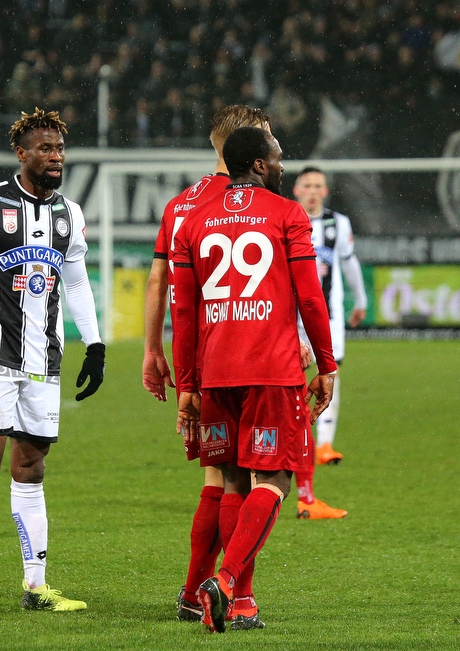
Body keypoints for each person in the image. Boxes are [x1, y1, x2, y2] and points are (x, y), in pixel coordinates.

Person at [0, 108, 105, 615]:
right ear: (21, 153)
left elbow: (74, 282)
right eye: (46, 149)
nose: (56, 157)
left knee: (32, 467)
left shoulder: (69, 214)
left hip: (43, 364)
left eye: (60, 149)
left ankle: (36, 585)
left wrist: (94, 346)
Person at [172, 126, 337, 633]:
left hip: (218, 371)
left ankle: (242, 602)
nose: (284, 165)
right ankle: (224, 583)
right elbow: (310, 297)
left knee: (234, 482)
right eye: (279, 157)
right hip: (271, 370)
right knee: (276, 478)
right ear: (260, 165)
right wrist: (327, 364)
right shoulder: (288, 215)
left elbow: (185, 312)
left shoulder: (193, 221)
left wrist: (188, 385)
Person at [143, 105, 271, 626]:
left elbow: (161, 283)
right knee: (251, 476)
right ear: (245, 144)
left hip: (198, 353)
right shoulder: (255, 201)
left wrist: (154, 350)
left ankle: (194, 590)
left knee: (218, 476)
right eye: (266, 138)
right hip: (248, 351)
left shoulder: (183, 205)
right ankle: (236, 596)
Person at [291, 166, 368, 519]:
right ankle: (295, 444)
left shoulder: (339, 224)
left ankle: (323, 443)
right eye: (307, 184)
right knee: (291, 379)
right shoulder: (285, 218)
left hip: (329, 316)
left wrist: (360, 299)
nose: (312, 190)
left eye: (318, 185)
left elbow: (349, 264)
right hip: (290, 318)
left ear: (325, 191)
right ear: (296, 188)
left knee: (329, 373)